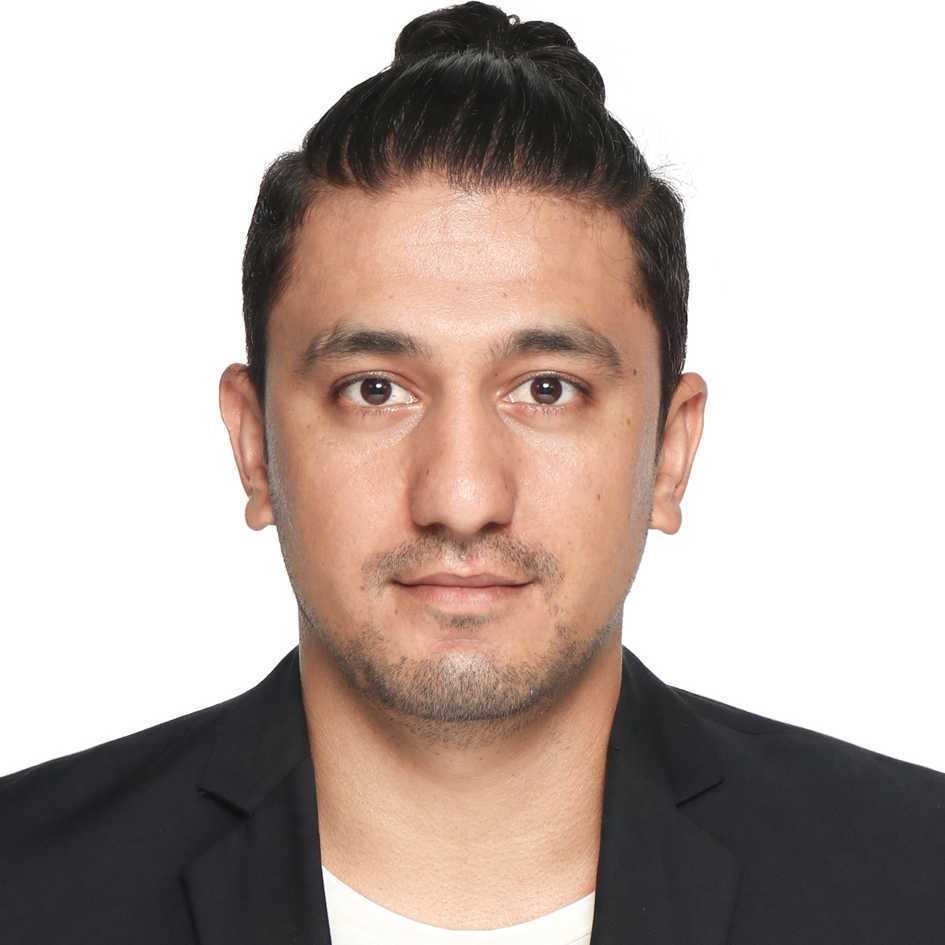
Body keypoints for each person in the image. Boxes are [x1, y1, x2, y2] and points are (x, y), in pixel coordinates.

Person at [2, 2, 943, 942]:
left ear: (670, 451)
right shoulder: (25, 885)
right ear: (254, 446)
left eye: (546, 389)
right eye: (375, 389)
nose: (460, 497)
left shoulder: (917, 878)